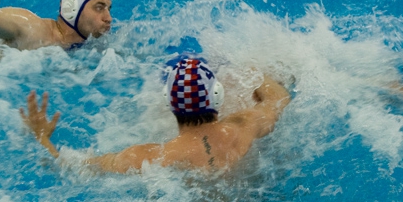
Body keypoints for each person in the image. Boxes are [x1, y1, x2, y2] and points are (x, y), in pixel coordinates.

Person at [21, 57, 292, 172]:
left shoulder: (154, 157)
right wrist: (255, 73)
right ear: (217, 95)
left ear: (169, 102)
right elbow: (279, 98)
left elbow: (75, 168)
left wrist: (43, 139)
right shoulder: (244, 125)